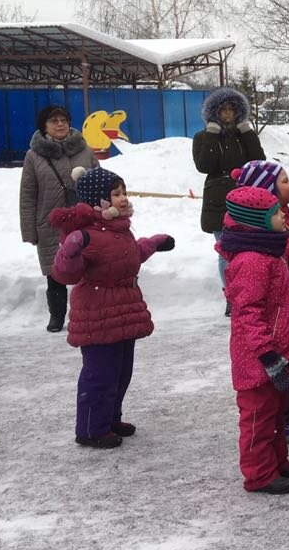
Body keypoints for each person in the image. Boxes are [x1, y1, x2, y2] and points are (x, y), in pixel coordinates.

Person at [49, 166, 174, 448]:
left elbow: (130, 256)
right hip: (97, 313)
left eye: (124, 192)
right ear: (98, 200)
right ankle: (92, 428)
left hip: (121, 310)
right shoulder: (87, 235)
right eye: (116, 194)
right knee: (100, 375)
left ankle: (110, 419)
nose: (123, 198)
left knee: (120, 372)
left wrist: (153, 243)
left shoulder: (119, 229)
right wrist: (69, 252)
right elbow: (67, 274)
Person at [220, 186, 289, 492]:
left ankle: (277, 462)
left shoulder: (268, 252)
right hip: (258, 359)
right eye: (276, 214)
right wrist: (267, 356)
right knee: (258, 419)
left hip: (273, 355)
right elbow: (248, 314)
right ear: (257, 221)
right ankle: (259, 474)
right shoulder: (252, 261)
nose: (284, 216)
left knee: (274, 414)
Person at [19, 105, 97, 332]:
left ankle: (89, 313)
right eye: (54, 121)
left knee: (89, 271)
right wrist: (29, 231)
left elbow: (102, 185)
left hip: (84, 222)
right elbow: (27, 195)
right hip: (50, 225)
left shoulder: (85, 150)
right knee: (55, 274)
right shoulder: (33, 156)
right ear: (44, 127)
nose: (60, 124)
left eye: (64, 120)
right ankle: (57, 316)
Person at [191, 88, 264, 311]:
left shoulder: (244, 136)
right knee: (226, 250)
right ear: (215, 112)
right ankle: (232, 297)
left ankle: (250, 293)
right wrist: (212, 134)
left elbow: (258, 161)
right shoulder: (202, 137)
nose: (228, 114)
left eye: (232, 109)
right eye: (223, 109)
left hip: (246, 199)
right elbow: (204, 165)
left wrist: (247, 132)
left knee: (249, 249)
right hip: (218, 201)